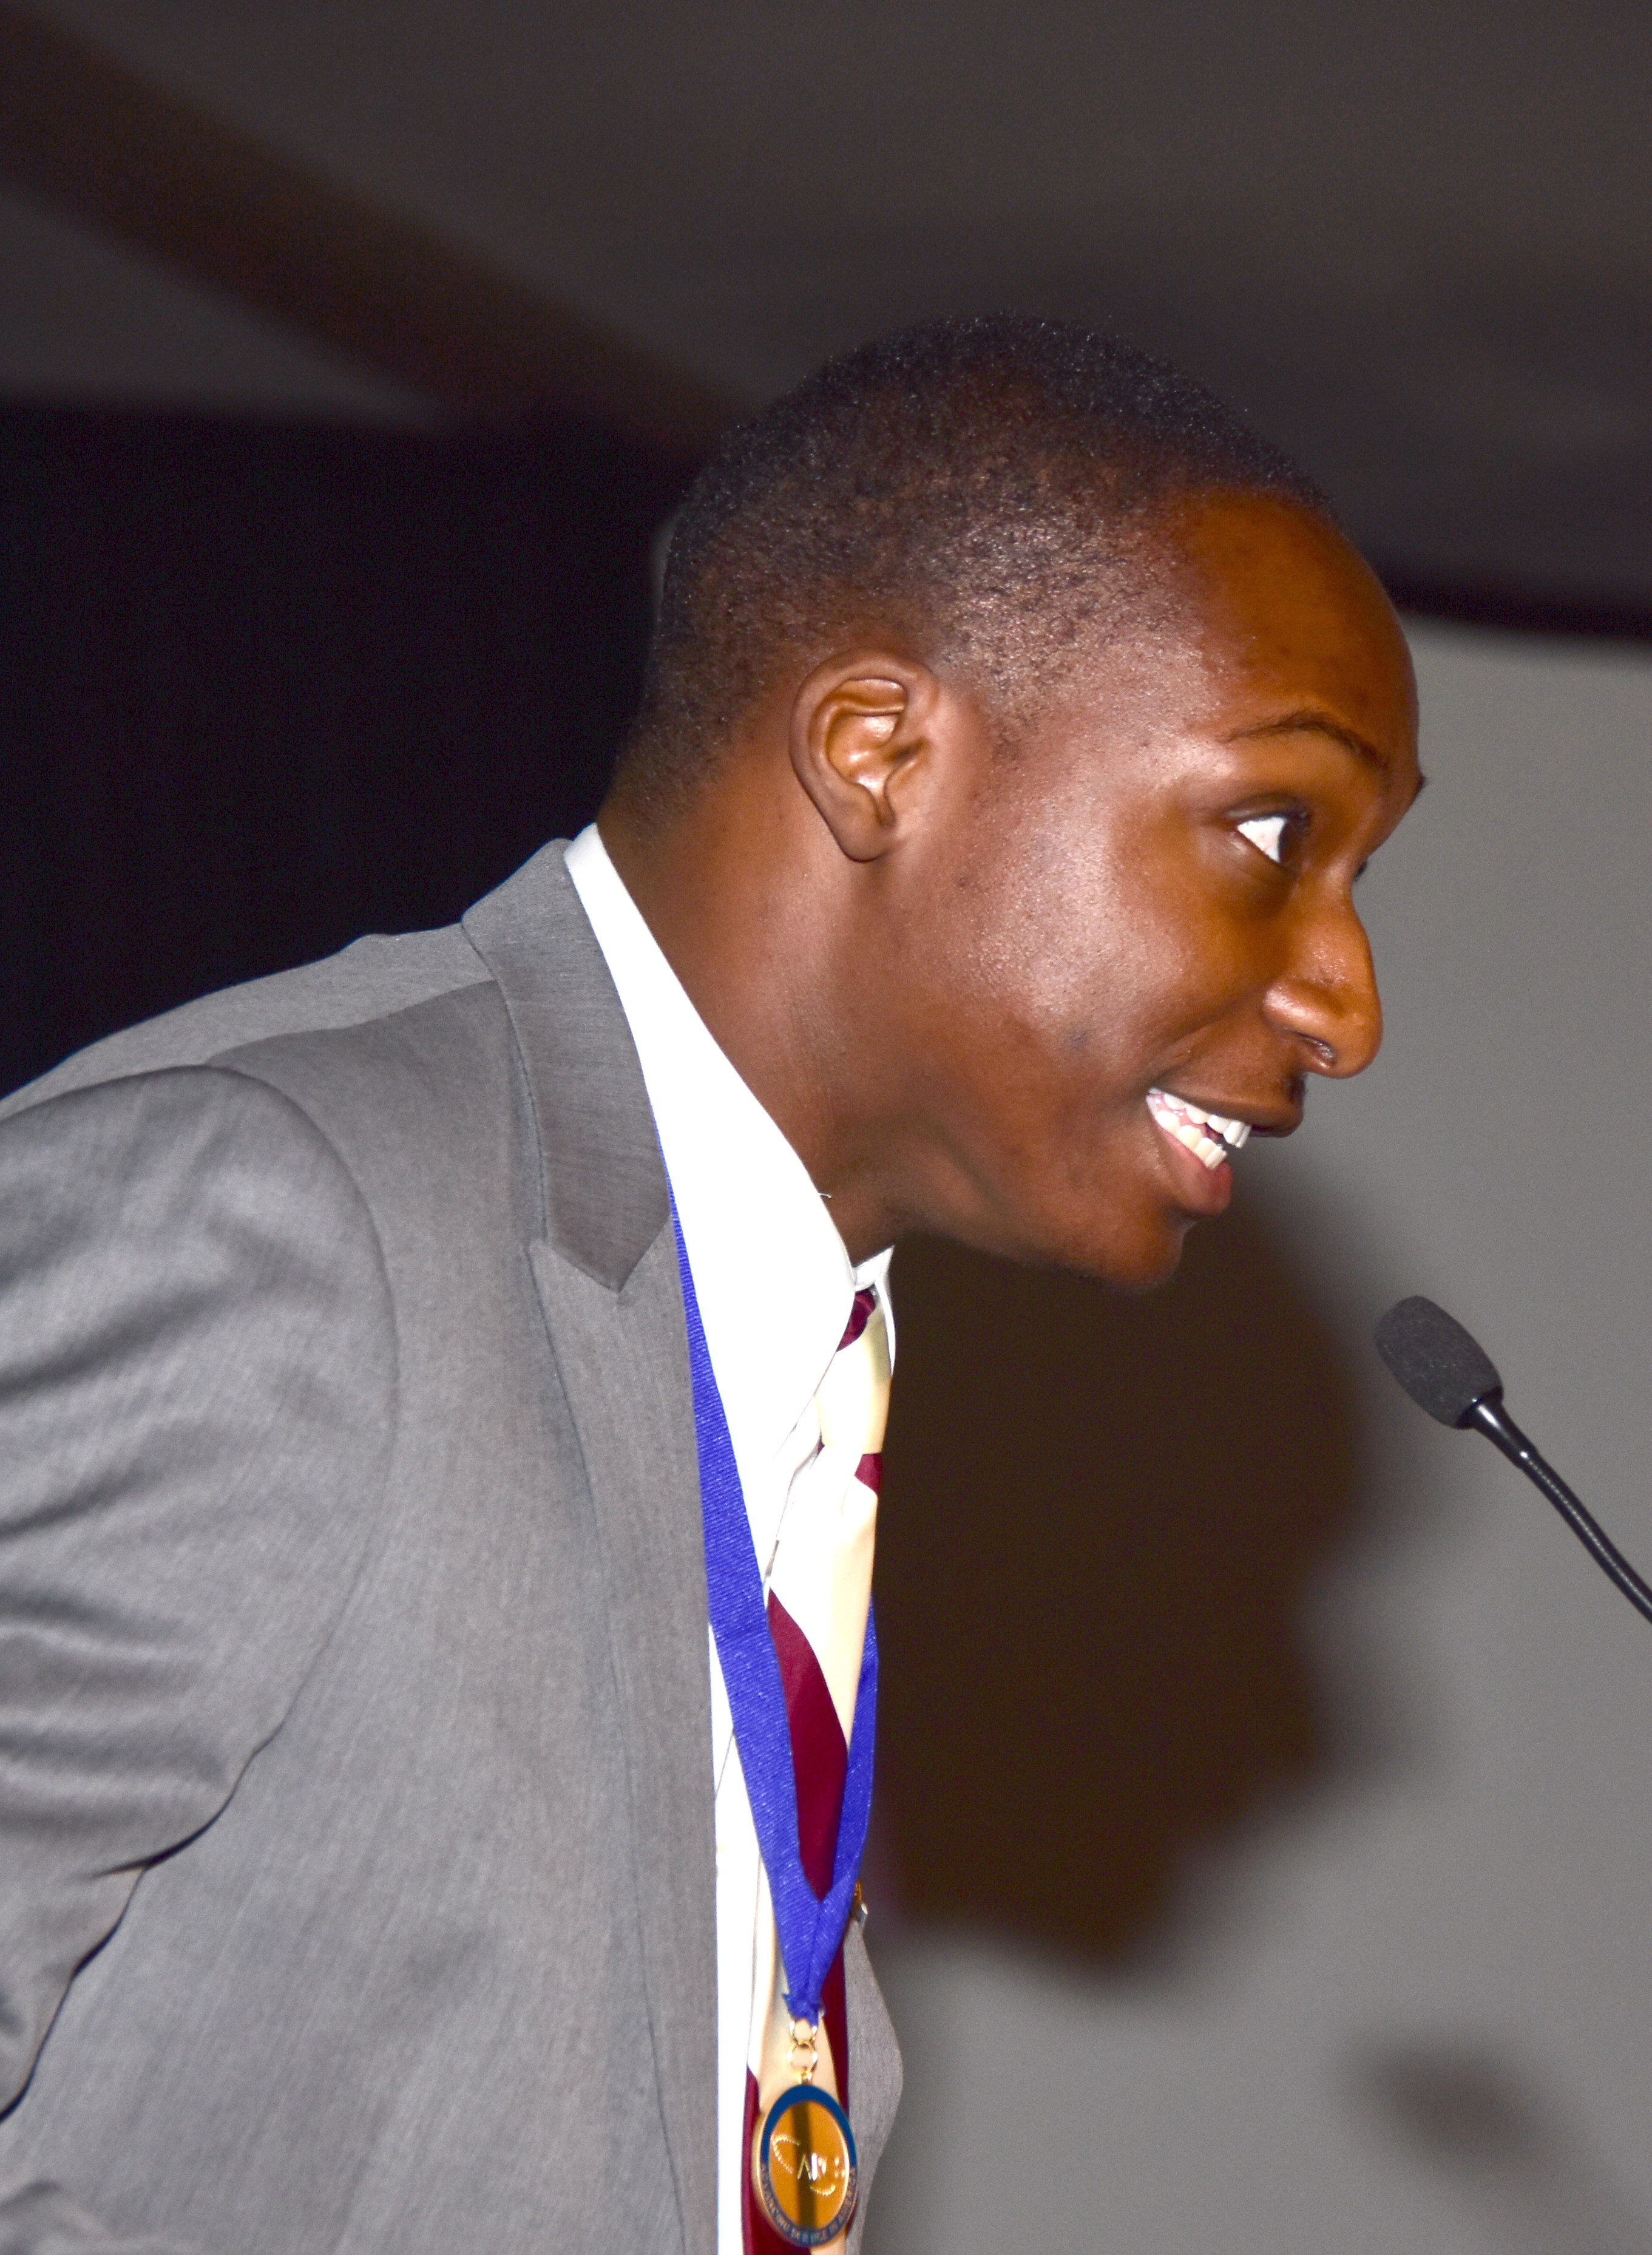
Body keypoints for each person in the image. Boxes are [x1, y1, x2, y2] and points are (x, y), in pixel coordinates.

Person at [0, 314, 1421, 2254]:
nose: (1347, 1002)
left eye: (1357, 878)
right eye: (1275, 832)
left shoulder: (789, 1375)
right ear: (877, 754)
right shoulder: (281, 1222)